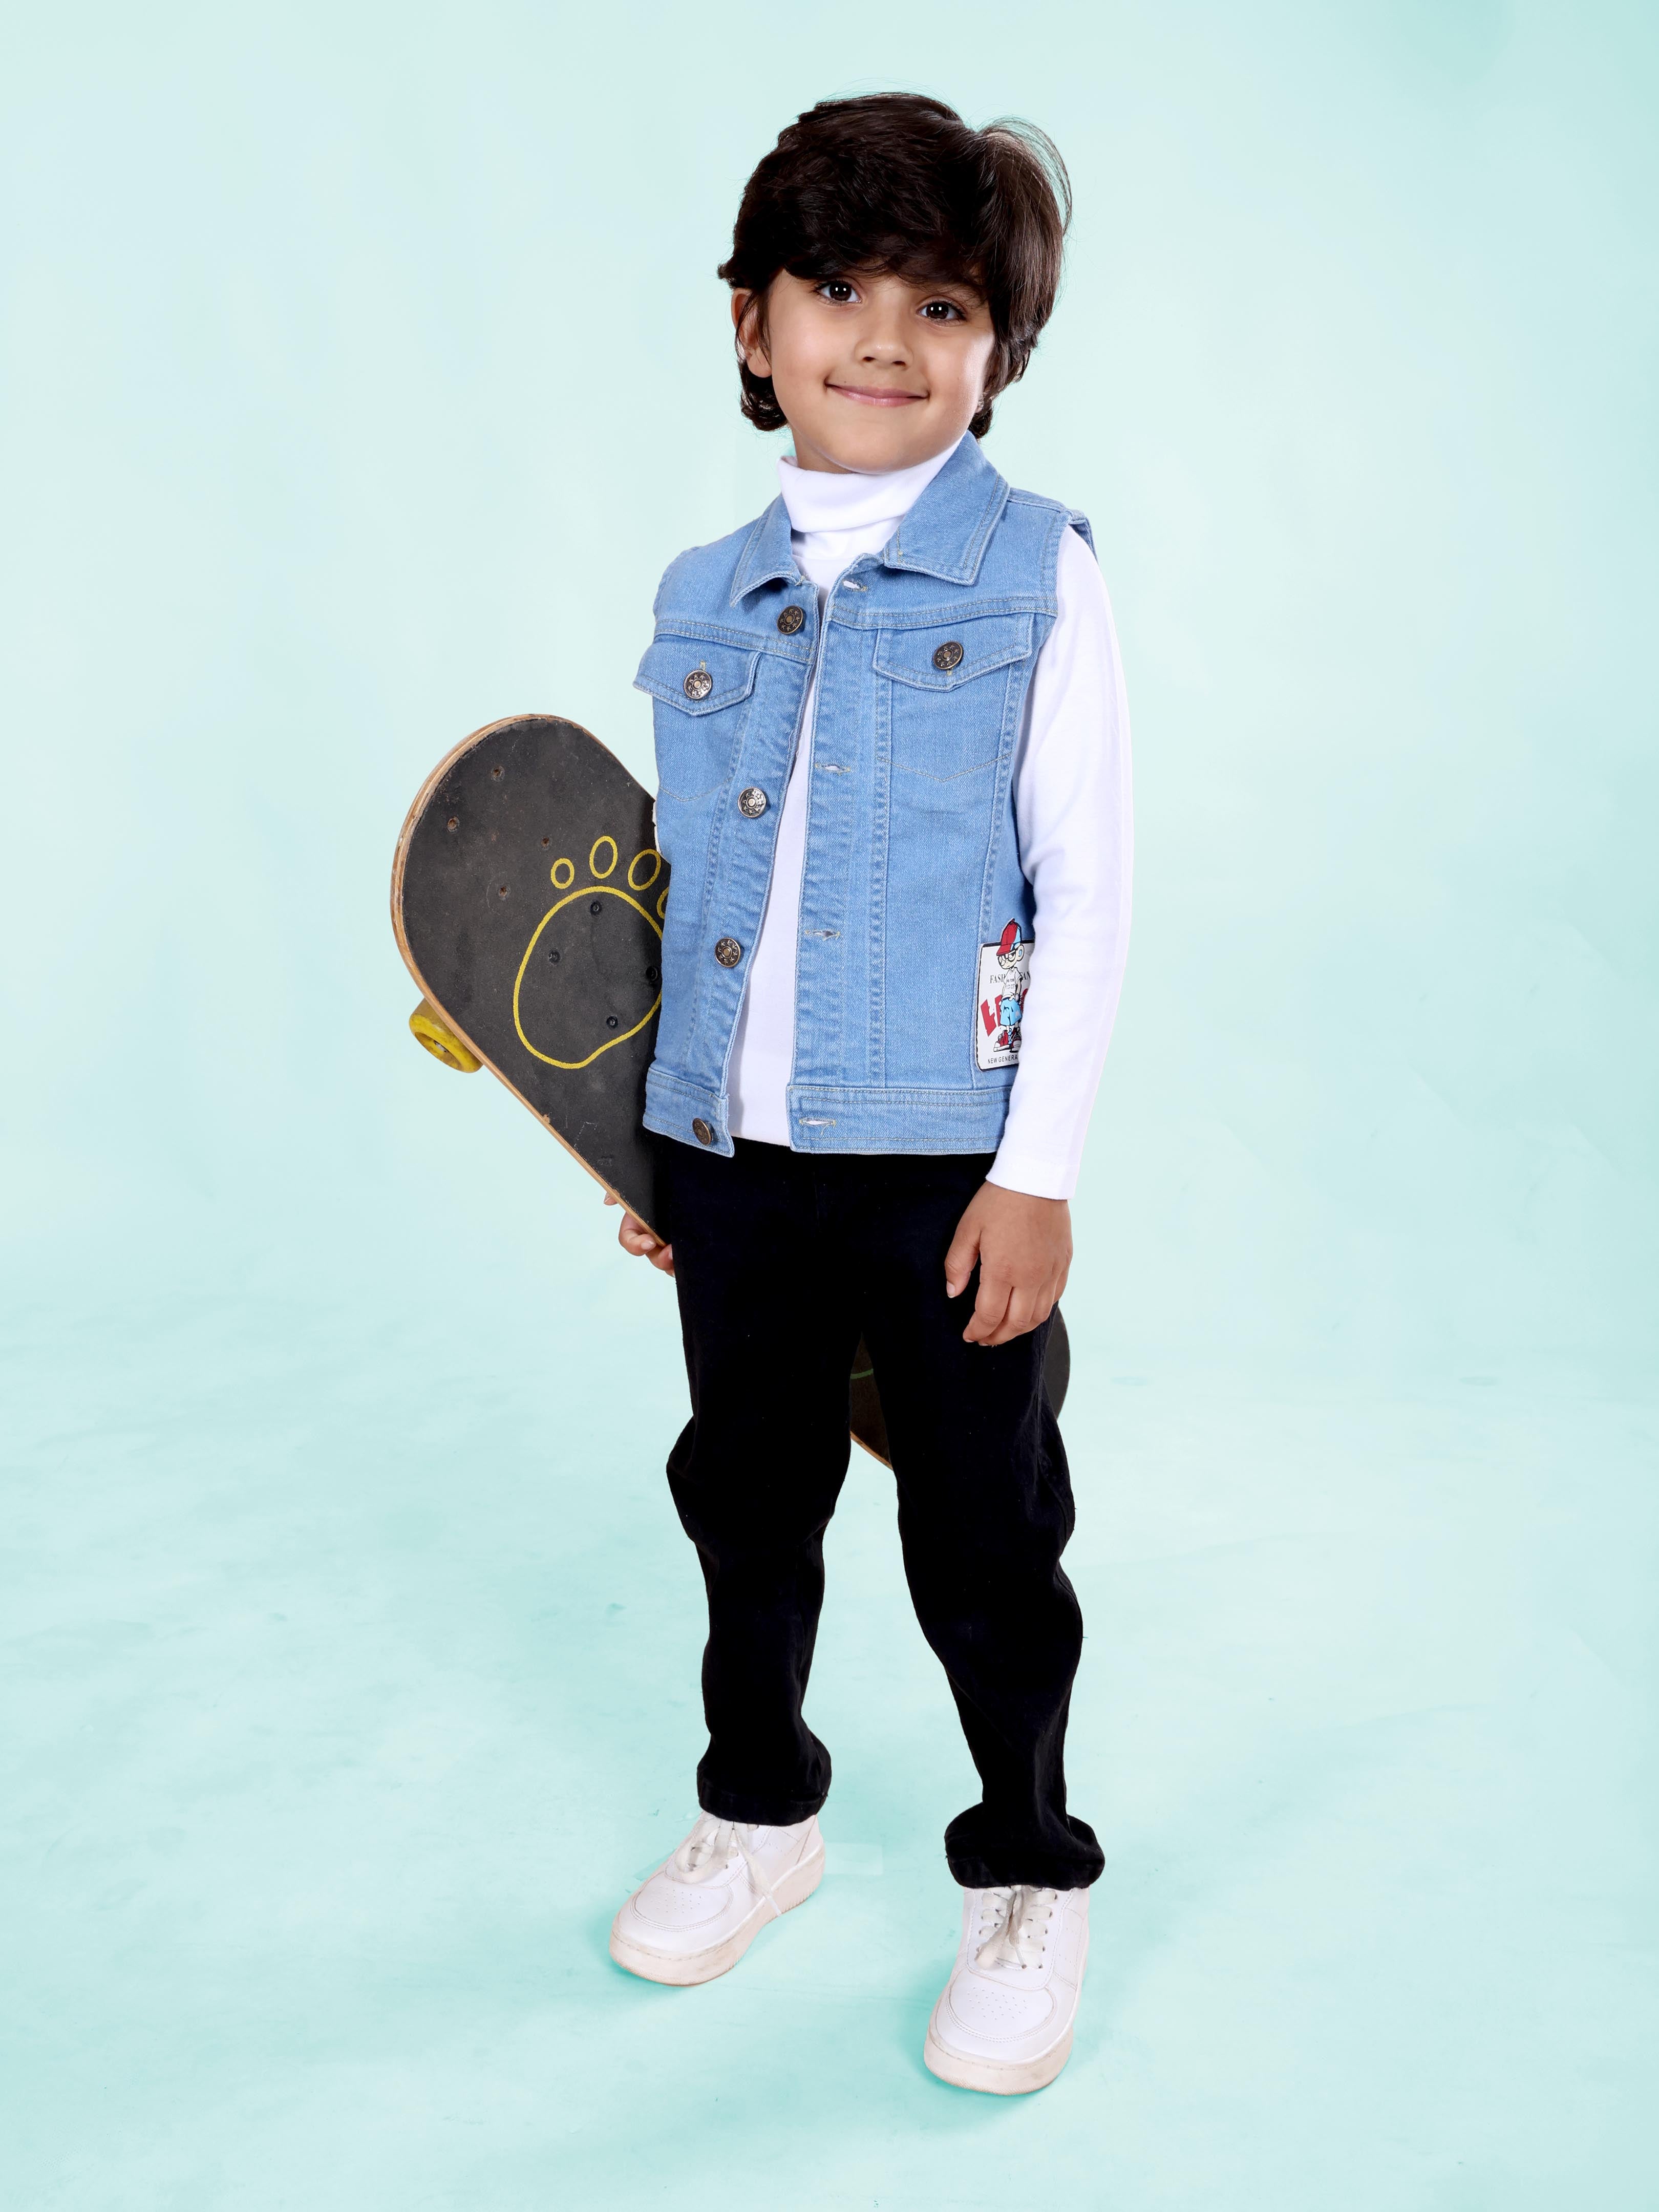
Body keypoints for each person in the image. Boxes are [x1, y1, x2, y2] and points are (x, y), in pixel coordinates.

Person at [602, 92, 1133, 2096]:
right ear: (754, 324)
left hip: (945, 1169)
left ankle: (1030, 1869)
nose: (887, 337)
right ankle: (759, 1813)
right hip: (738, 1171)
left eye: (944, 303)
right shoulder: (701, 591)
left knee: (983, 1534)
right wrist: (658, 1132)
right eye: (837, 288)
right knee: (746, 1501)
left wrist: (1038, 1172)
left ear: (1001, 348)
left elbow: (1087, 885)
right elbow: (690, 883)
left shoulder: (1040, 577)